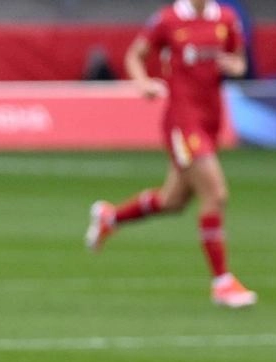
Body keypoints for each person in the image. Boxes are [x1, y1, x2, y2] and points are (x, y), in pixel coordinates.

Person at [85, 0, 257, 308]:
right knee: (215, 194)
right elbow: (135, 55)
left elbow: (240, 61)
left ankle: (110, 217)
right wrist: (142, 83)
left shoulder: (228, 18)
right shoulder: (168, 19)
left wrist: (235, 67)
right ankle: (222, 282)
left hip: (211, 118)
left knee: (173, 201)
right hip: (182, 119)